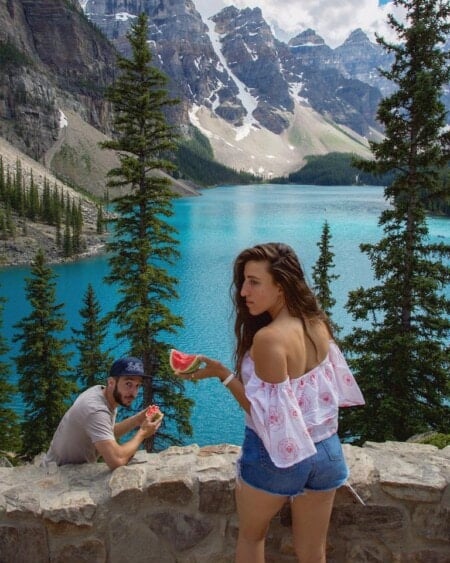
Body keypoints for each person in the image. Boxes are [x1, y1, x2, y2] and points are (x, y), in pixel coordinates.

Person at [174, 242, 364, 563]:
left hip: (278, 458)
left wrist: (222, 375)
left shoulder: (269, 339)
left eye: (254, 282)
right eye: (243, 281)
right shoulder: (317, 323)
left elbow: (266, 416)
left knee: (251, 538)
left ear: (281, 286)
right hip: (327, 453)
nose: (243, 291)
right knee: (313, 552)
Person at [44, 356, 163, 470]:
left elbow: (106, 433)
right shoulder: (95, 409)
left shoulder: (104, 394)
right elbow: (116, 461)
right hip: (60, 471)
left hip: (68, 467)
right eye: (128, 384)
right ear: (111, 382)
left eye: (137, 386)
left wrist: (136, 420)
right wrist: (143, 433)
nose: (133, 393)